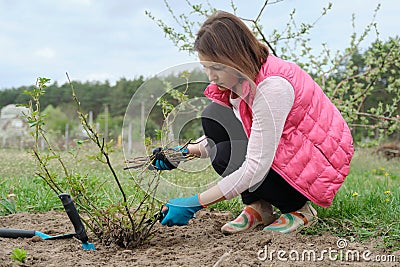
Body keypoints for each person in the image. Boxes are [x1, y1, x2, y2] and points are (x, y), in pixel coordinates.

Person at [152, 10, 354, 234]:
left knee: (225, 154)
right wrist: (184, 152)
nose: (211, 76)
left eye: (217, 68)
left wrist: (195, 202)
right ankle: (259, 207)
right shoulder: (243, 80)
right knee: (213, 116)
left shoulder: (272, 88)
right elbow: (244, 131)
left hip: (314, 167)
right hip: (289, 151)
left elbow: (255, 166)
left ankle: (299, 209)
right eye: (206, 67)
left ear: (236, 58)